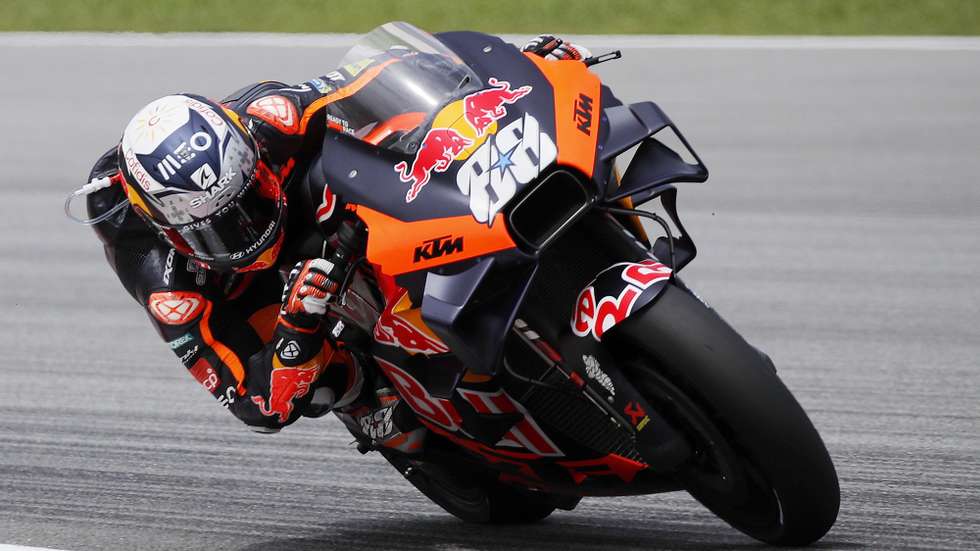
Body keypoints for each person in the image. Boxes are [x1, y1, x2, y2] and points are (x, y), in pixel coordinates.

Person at [78, 35, 590, 434]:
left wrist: (515, 64)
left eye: (249, 203)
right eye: (220, 229)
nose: (247, 231)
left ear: (250, 156)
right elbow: (256, 407)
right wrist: (297, 328)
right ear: (168, 229)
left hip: (316, 209)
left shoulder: (272, 118)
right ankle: (368, 400)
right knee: (319, 386)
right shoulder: (167, 283)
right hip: (241, 289)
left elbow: (387, 72)